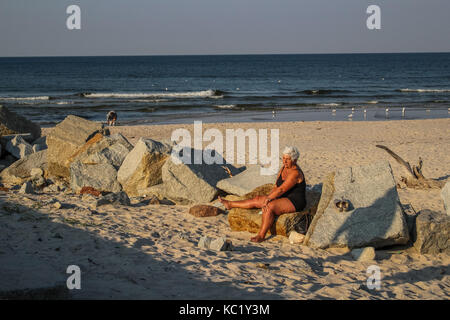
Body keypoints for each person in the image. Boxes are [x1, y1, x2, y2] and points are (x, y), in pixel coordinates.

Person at [219, 146, 307, 243]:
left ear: (294, 160)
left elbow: (281, 189)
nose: (285, 161)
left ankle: (261, 235)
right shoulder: (283, 168)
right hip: (283, 196)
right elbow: (276, 187)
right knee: (257, 199)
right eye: (284, 158)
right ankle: (230, 204)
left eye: (288, 159)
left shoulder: (295, 173)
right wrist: (269, 197)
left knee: (269, 207)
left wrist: (268, 199)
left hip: (294, 201)